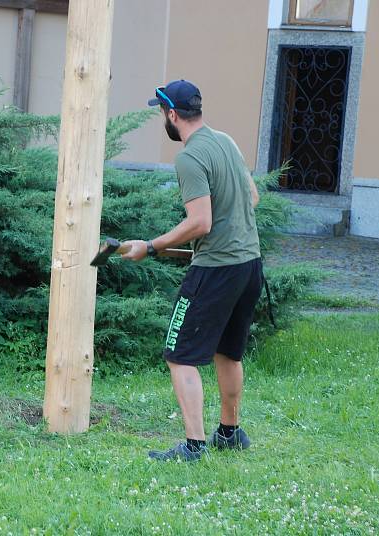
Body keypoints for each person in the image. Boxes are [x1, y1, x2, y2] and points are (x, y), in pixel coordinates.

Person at [121, 80, 262, 461]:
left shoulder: (189, 157)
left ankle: (194, 446)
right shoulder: (227, 142)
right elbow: (252, 197)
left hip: (215, 270)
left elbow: (200, 222)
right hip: (249, 265)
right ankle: (229, 433)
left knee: (180, 355)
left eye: (160, 112)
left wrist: (151, 246)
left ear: (171, 114)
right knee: (228, 353)